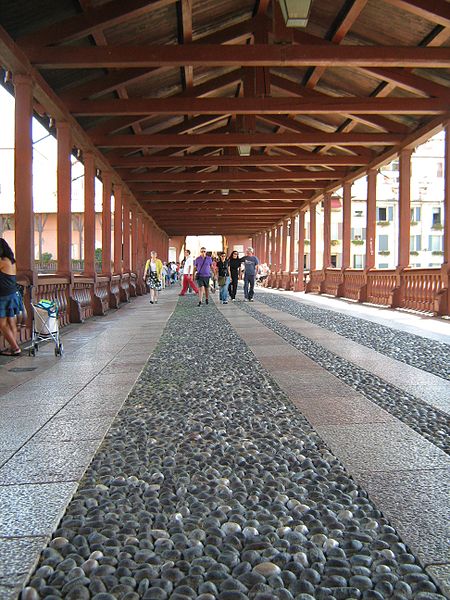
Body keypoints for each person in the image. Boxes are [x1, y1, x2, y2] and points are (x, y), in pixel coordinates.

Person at [0, 239, 22, 356]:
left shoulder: (2, 261)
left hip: (3, 296)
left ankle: (15, 347)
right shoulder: (11, 261)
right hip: (12, 294)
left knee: (2, 324)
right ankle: (13, 347)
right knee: (11, 322)